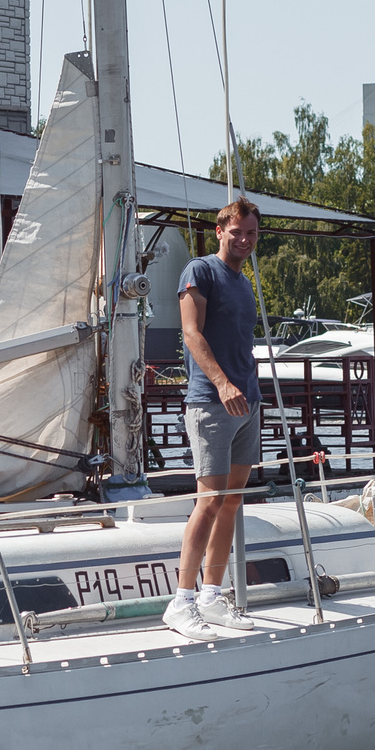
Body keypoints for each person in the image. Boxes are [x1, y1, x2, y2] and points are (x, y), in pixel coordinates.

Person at [166, 199, 265, 637]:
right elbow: (191, 333)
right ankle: (181, 602)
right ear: (220, 230)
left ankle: (211, 594)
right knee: (207, 502)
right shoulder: (200, 271)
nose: (244, 240)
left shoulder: (244, 283)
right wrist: (224, 385)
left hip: (248, 405)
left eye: (251, 234)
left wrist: (247, 391)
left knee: (232, 502)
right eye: (237, 232)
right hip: (211, 402)